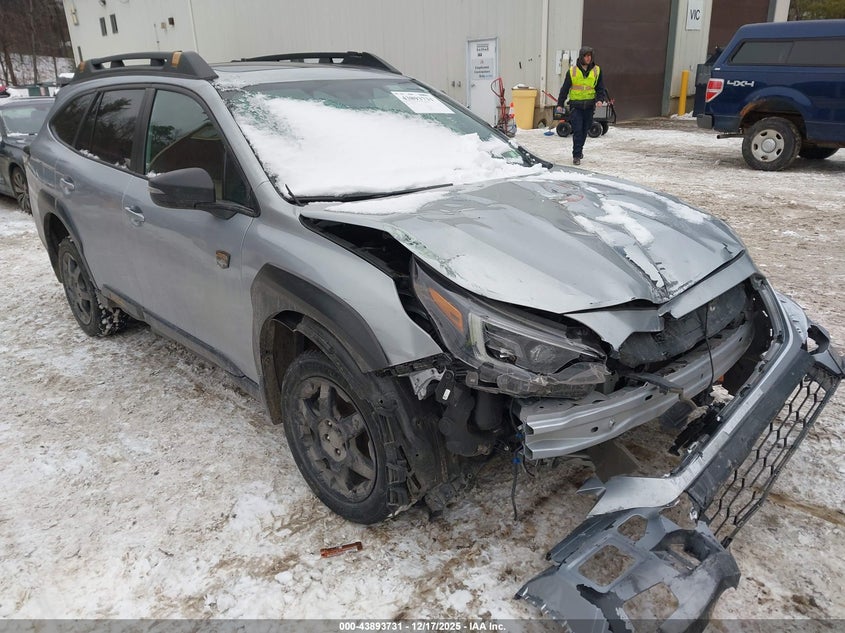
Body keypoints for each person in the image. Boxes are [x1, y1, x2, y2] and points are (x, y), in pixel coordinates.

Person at [557, 46, 607, 165]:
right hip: (576, 106)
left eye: (590, 55)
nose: (588, 58)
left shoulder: (597, 70)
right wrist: (560, 103)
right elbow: (564, 89)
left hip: (589, 106)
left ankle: (579, 150)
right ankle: (576, 155)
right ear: (581, 57)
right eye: (586, 55)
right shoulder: (572, 71)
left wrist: (600, 99)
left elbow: (600, 87)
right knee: (578, 130)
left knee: (585, 130)